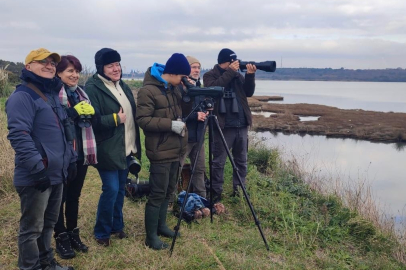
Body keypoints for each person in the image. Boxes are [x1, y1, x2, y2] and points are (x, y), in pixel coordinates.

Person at [6, 48, 76, 270]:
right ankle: (30, 266)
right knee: (31, 229)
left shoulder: (53, 95)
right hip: (35, 176)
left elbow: (63, 133)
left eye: (52, 63)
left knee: (48, 225)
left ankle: (47, 263)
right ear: (28, 67)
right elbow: (19, 135)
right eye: (42, 62)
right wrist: (37, 169)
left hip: (56, 174)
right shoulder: (22, 96)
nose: (49, 66)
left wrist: (71, 160)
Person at [85, 48, 141, 247]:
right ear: (101, 68)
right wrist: (115, 118)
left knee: (119, 190)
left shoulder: (122, 85)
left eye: (118, 64)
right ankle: (102, 231)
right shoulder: (92, 88)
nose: (116, 68)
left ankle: (117, 226)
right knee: (110, 189)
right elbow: (91, 120)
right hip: (107, 148)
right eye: (111, 66)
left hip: (125, 147)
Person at [136, 53, 190, 250]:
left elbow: (182, 109)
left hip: (176, 149)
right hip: (160, 150)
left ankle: (161, 226)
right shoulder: (147, 91)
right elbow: (142, 120)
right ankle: (151, 237)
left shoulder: (172, 88)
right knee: (157, 193)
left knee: (169, 191)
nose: (182, 80)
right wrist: (170, 125)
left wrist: (188, 90)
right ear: (172, 73)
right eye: (182, 76)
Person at [53, 55, 97, 258]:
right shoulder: (53, 94)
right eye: (70, 71)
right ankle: (60, 237)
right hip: (62, 155)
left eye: (77, 71)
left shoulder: (81, 93)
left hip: (81, 153)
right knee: (59, 198)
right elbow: (52, 125)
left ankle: (73, 233)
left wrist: (90, 114)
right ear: (59, 73)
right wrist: (72, 113)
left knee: (74, 196)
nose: (75, 75)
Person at [203, 48, 257, 202]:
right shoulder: (209, 75)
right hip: (222, 126)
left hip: (241, 125)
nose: (235, 64)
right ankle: (215, 193)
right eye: (232, 61)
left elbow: (248, 92)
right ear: (224, 62)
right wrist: (230, 73)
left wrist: (250, 75)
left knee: (241, 161)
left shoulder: (236, 75)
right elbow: (213, 89)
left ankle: (239, 192)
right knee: (218, 161)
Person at [179, 55, 208, 198]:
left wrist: (206, 111)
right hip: (184, 135)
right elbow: (177, 113)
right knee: (177, 168)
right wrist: (195, 116)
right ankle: (171, 199)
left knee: (200, 169)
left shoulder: (198, 86)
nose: (197, 70)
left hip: (199, 135)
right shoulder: (179, 88)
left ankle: (201, 198)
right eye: (193, 67)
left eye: (198, 67)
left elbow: (200, 107)